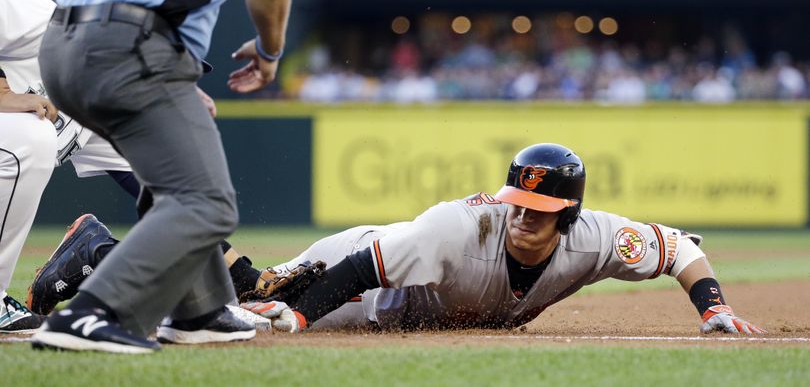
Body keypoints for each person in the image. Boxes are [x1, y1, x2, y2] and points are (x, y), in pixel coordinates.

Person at [235, 143, 763, 335]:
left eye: (541, 209)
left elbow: (679, 249)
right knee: (262, 297)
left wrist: (713, 307)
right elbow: (364, 267)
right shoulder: (455, 226)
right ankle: (191, 236)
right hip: (374, 289)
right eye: (518, 204)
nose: (523, 216)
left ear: (569, 215)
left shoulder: (598, 237)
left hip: (418, 296)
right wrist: (301, 313)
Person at [31, 0, 292, 354]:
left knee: (176, 180)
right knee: (206, 203)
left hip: (60, 46)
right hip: (125, 44)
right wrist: (270, 51)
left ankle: (198, 311)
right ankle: (90, 312)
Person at [0, 0, 131, 334]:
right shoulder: (44, 20)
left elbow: (172, 196)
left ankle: (90, 252)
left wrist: (244, 278)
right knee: (30, 138)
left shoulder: (98, 103)